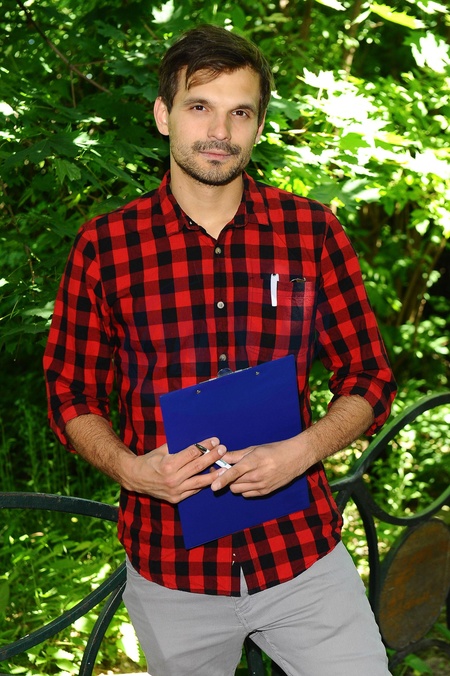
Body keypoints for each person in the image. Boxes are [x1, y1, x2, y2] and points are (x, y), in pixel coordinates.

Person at [43, 24, 397, 676]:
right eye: (200, 106)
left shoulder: (311, 232)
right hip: (172, 570)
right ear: (163, 115)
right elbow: (69, 393)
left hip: (302, 560)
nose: (219, 131)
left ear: (258, 126)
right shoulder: (107, 247)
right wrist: (130, 469)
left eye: (240, 112)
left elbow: (369, 376)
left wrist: (302, 451)